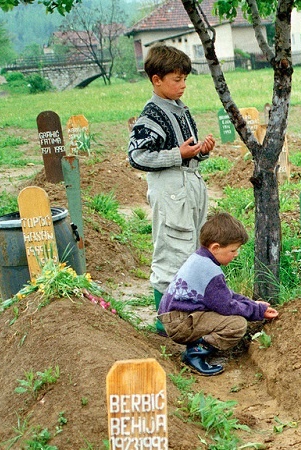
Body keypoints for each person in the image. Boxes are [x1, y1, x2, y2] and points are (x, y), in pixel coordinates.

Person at [128, 44, 216, 333]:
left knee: (192, 247)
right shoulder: (151, 114)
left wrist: (201, 151)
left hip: (190, 182)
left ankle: (187, 313)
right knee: (170, 249)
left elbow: (187, 149)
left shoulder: (180, 110)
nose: (183, 85)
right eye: (176, 80)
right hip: (169, 188)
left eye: (185, 79)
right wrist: (178, 155)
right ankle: (164, 322)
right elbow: (137, 156)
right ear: (156, 80)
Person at [158, 212, 279, 376]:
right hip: (180, 323)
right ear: (215, 247)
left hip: (177, 317)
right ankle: (195, 354)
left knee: (229, 318)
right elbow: (227, 306)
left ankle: (198, 347)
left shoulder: (200, 259)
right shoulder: (210, 271)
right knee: (236, 325)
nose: (236, 254)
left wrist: (254, 305)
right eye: (233, 250)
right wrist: (257, 312)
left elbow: (226, 295)